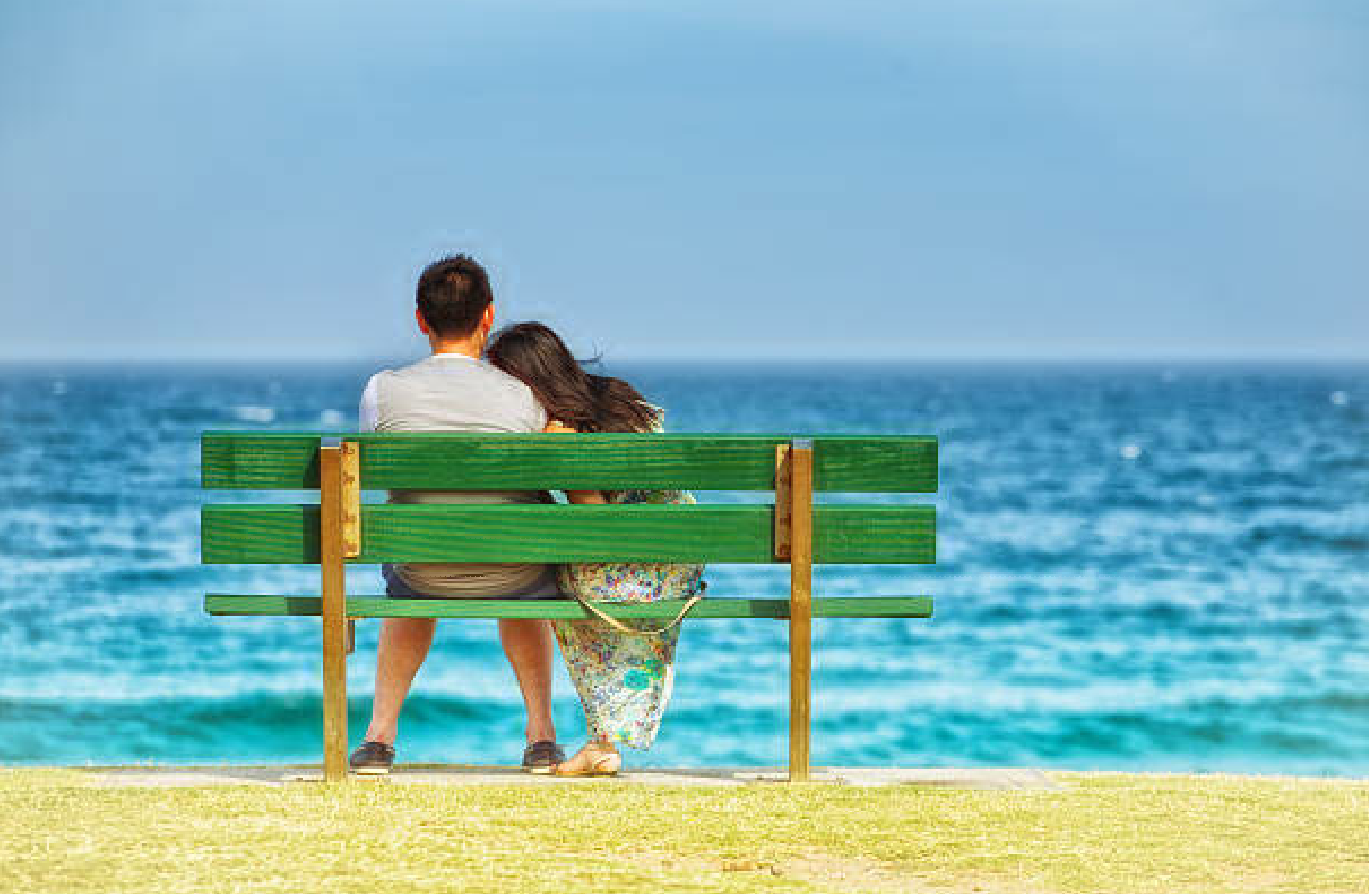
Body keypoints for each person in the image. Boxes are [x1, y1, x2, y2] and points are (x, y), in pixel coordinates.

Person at [348, 255, 566, 776]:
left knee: (411, 565)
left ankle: (379, 738)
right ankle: (540, 736)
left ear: (421, 320)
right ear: (488, 317)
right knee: (530, 576)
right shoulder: (527, 395)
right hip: (515, 572)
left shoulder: (381, 391)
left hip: (421, 570)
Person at [487, 322, 703, 777]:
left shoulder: (562, 433)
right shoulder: (620, 396)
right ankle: (602, 740)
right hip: (679, 558)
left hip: (636, 569)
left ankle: (602, 740)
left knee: (545, 581)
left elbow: (594, 524)